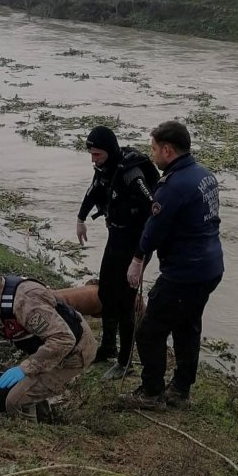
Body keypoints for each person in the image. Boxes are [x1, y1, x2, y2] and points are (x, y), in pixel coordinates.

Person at [119, 121, 224, 410]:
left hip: (185, 272)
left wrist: (137, 260)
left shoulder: (173, 185)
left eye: (153, 149)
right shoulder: (205, 175)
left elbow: (154, 228)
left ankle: (152, 393)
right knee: (187, 326)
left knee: (149, 332)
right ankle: (180, 389)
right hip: (211, 266)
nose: (151, 155)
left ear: (167, 150)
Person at [0, 257, 97, 423]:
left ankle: (30, 441)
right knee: (27, 390)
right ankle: (46, 424)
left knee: (16, 401)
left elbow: (63, 339)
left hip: (73, 353)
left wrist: (25, 368)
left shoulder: (24, 303)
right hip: (51, 348)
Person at [75, 125, 159, 380]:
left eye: (97, 154)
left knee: (125, 302)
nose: (93, 159)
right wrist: (80, 218)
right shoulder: (104, 170)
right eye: (91, 154)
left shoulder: (132, 176)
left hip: (135, 245)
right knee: (105, 293)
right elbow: (92, 192)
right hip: (116, 237)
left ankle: (125, 362)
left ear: (109, 151)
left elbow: (154, 211)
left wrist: (139, 257)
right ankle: (108, 347)